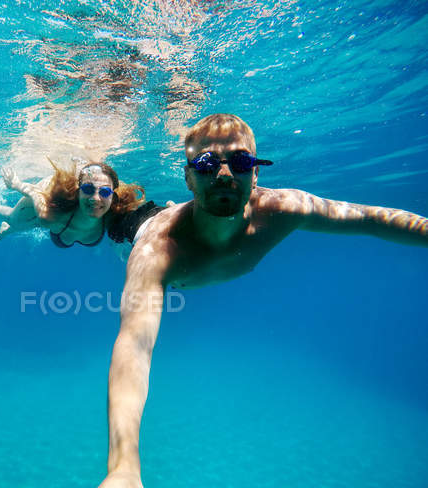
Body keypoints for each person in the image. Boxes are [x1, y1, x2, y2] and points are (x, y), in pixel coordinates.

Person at [98, 113, 428, 488]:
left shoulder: (284, 209)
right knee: (105, 227)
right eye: (206, 164)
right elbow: (134, 346)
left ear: (256, 174)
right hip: (139, 230)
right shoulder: (157, 252)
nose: (224, 175)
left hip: (185, 228)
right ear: (188, 177)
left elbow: (370, 218)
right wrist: (123, 468)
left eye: (239, 162)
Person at [0, 160, 145, 247]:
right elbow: (34, 193)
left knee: (19, 226)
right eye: (88, 189)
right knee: (12, 219)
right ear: (78, 191)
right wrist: (17, 185)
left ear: (113, 197)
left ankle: (8, 230)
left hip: (61, 228)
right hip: (46, 198)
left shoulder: (113, 216)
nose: (96, 198)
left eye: (104, 192)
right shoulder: (50, 216)